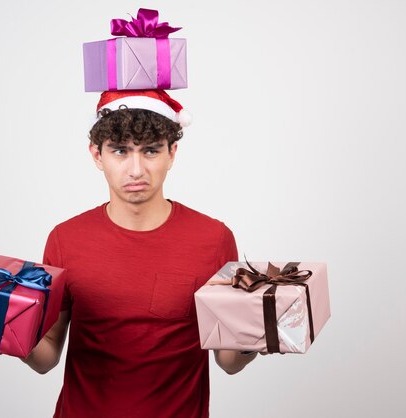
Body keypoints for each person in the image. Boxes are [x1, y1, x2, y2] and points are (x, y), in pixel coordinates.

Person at [23, 90, 257, 418]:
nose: (136, 170)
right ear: (96, 155)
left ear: (172, 153)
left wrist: (261, 334)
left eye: (150, 151)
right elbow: (46, 357)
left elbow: (228, 361)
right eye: (120, 151)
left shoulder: (214, 239)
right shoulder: (64, 239)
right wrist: (1, 327)